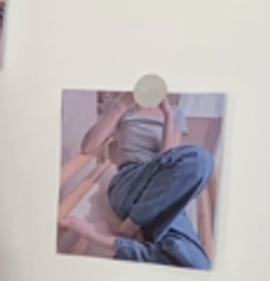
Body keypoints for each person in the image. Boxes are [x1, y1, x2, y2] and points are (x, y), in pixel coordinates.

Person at [61, 91, 214, 268]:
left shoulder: (175, 112)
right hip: (131, 180)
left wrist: (167, 114)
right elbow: (88, 147)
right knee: (200, 157)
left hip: (163, 191)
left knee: (198, 264)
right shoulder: (122, 106)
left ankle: (112, 240)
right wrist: (120, 106)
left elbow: (168, 158)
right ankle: (132, 226)